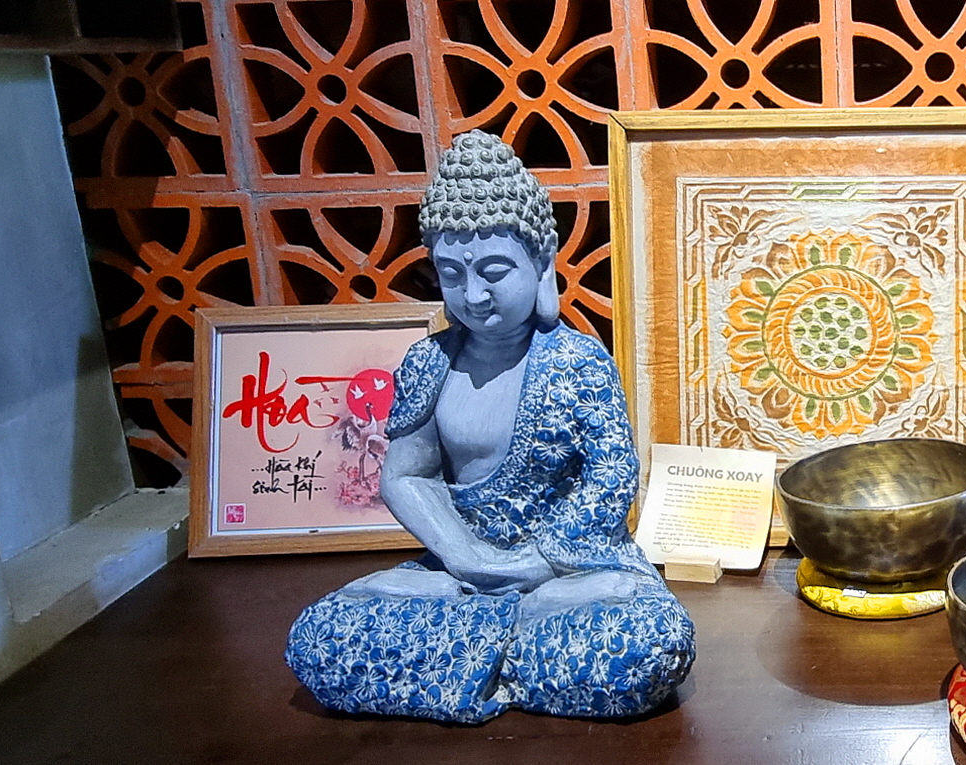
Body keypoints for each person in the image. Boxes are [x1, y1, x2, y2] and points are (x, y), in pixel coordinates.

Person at [284, 130, 695, 724]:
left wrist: (535, 563)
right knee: (323, 640)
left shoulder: (578, 361)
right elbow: (407, 476)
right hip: (460, 573)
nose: (473, 295)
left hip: (568, 571)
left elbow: (611, 476)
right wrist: (467, 555)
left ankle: (473, 652)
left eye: (494, 271)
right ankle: (510, 655)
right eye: (451, 274)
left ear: (542, 263)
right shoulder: (428, 362)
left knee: (650, 642)